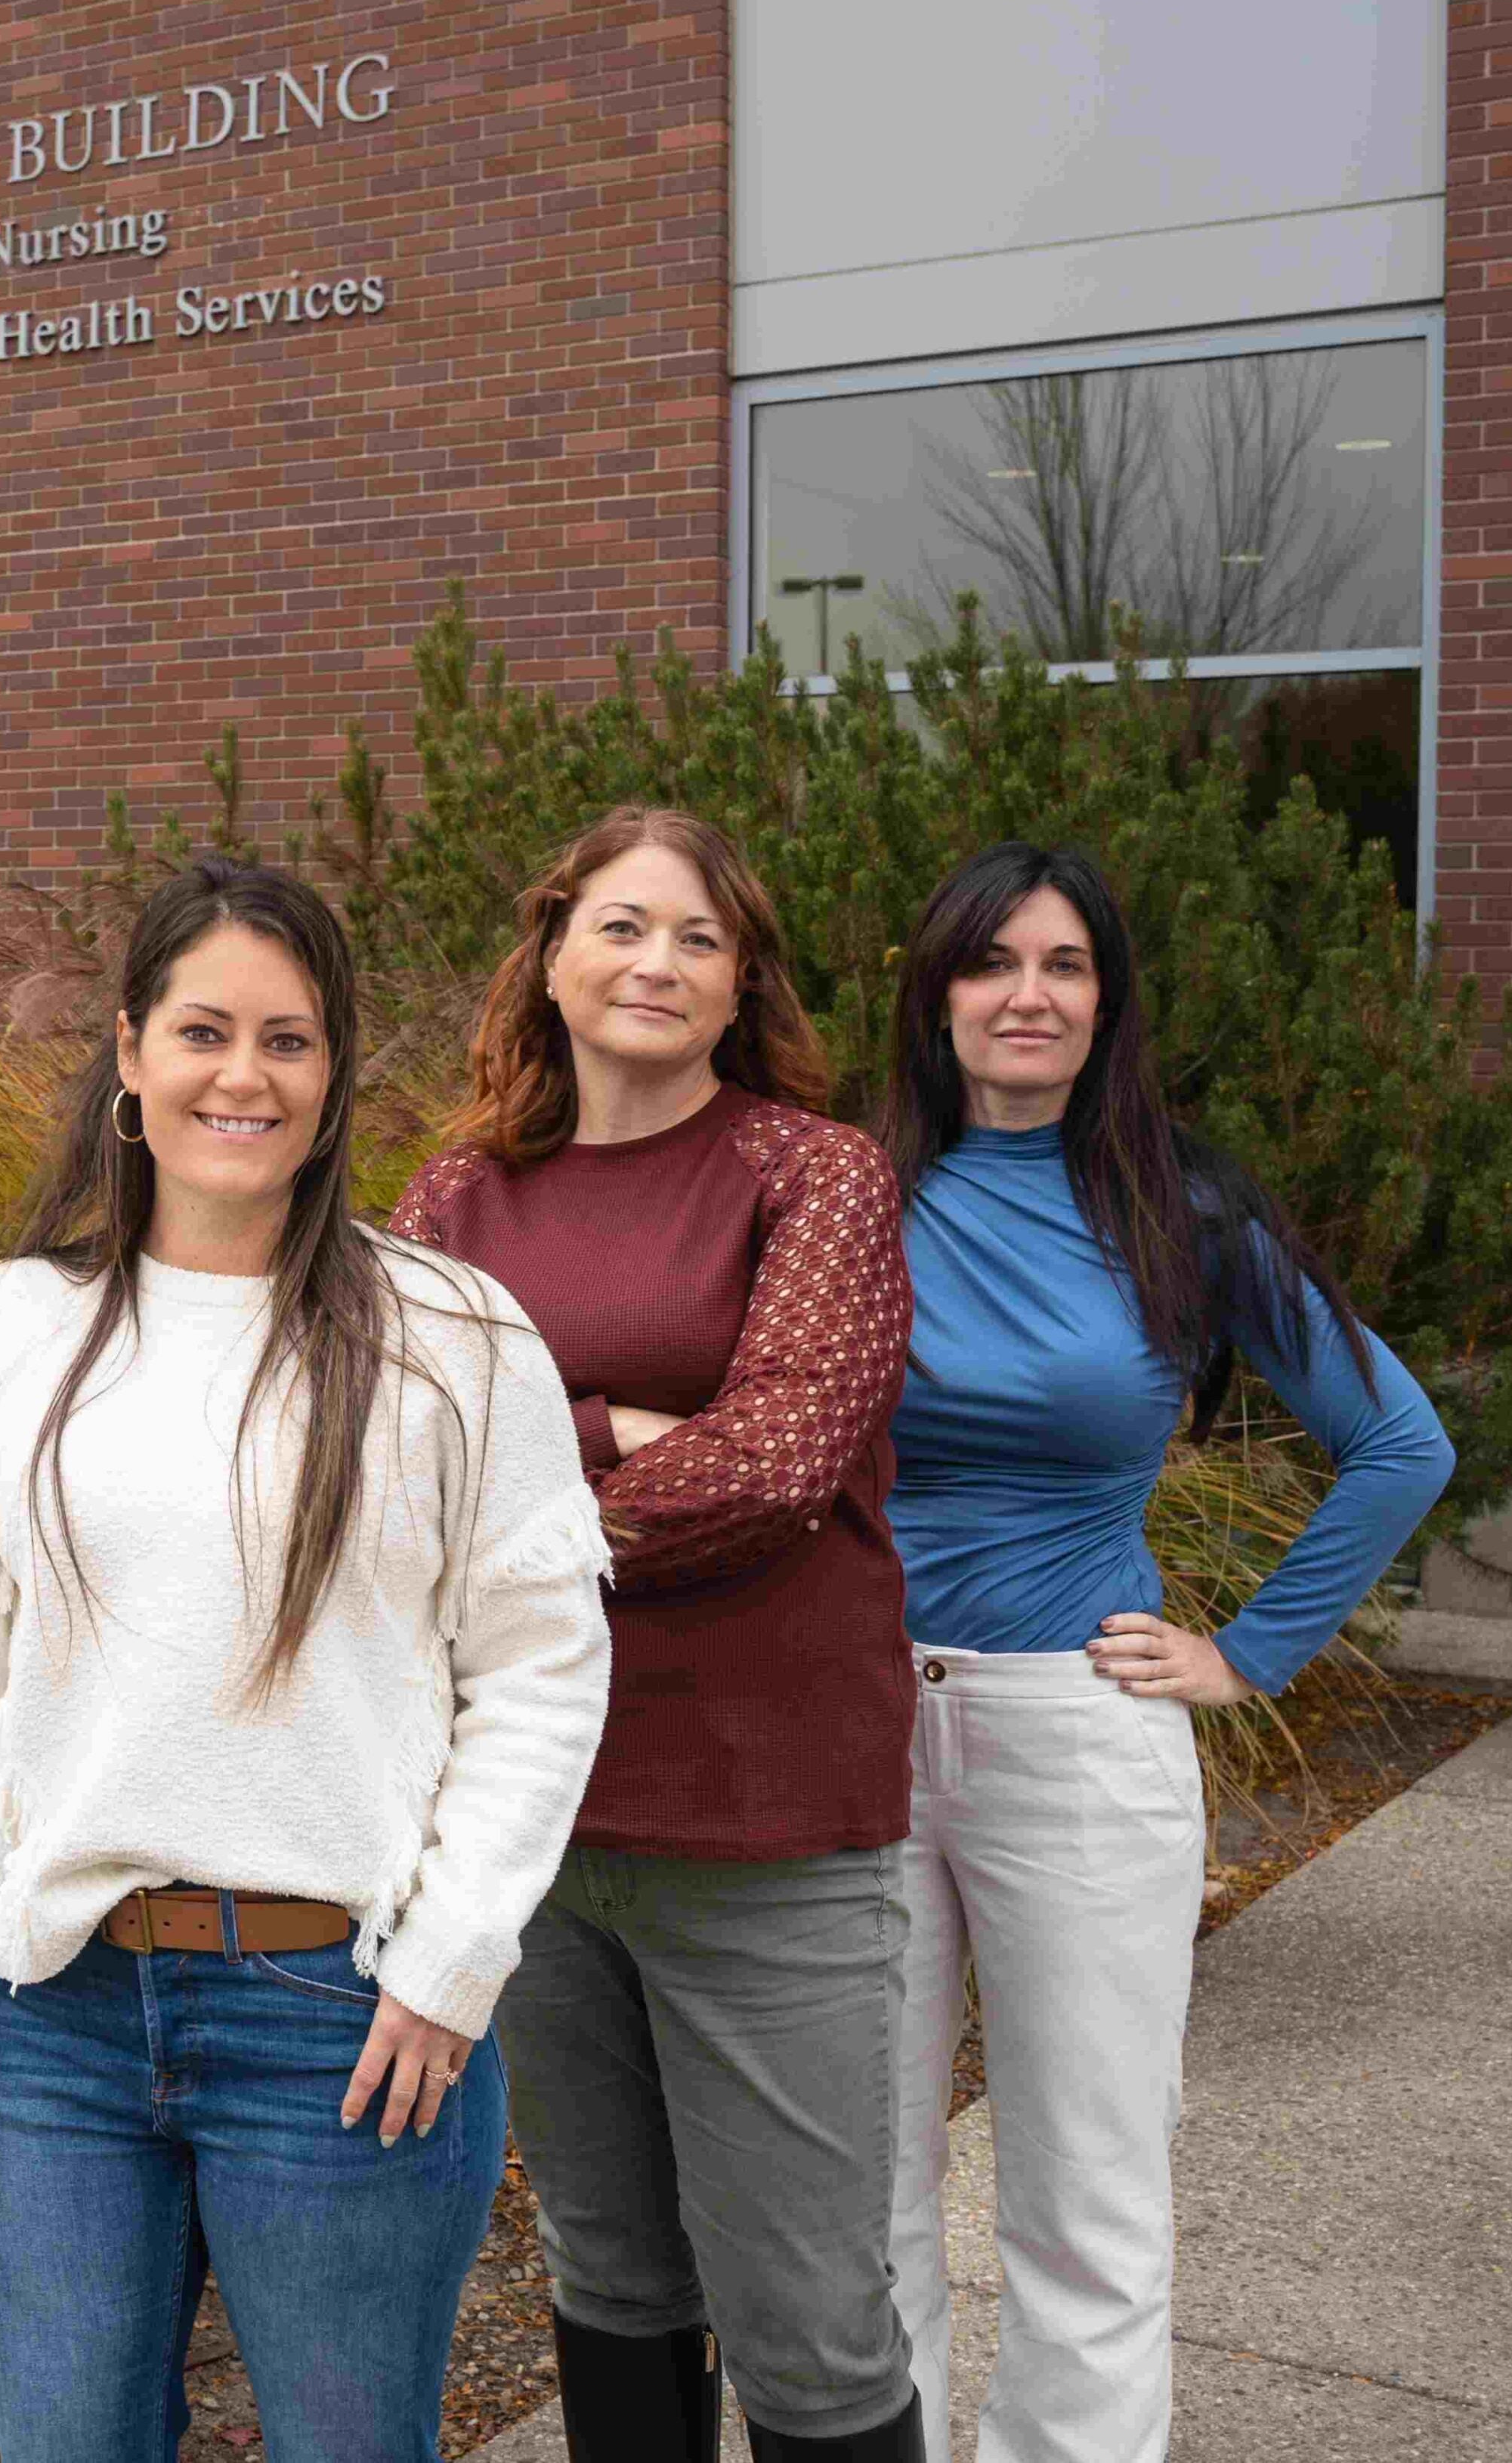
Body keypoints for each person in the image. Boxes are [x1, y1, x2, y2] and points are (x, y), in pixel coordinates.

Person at [0, 855, 614, 2463]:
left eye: (288, 1039)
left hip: (340, 2025)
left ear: (334, 1075)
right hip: (49, 2015)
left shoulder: (452, 1337)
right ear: (129, 1053)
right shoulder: (6, 1329)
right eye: (204, 1030)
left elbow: (544, 1671)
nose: (242, 1074)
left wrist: (454, 1955)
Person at [875, 843, 1453, 2461]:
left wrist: (1247, 1651)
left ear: (1106, 1000)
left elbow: (1396, 1439)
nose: (1027, 993)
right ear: (936, 993)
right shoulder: (851, 1190)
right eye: (990, 961)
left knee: (1088, 2192)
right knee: (855, 2196)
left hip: (1075, 1730)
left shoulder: (1176, 1202)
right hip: (848, 1731)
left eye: (1065, 964)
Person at [390, 805, 926, 2461]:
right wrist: (627, 1420)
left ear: (739, 979)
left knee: (809, 2326)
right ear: (550, 956)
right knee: (609, 2275)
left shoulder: (813, 1172)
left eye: (699, 936)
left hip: (763, 1820)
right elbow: (398, 1459)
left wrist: (533, 1464)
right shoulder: (458, 1192)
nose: (657, 961)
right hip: (533, 1822)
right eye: (621, 925)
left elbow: (774, 1462)